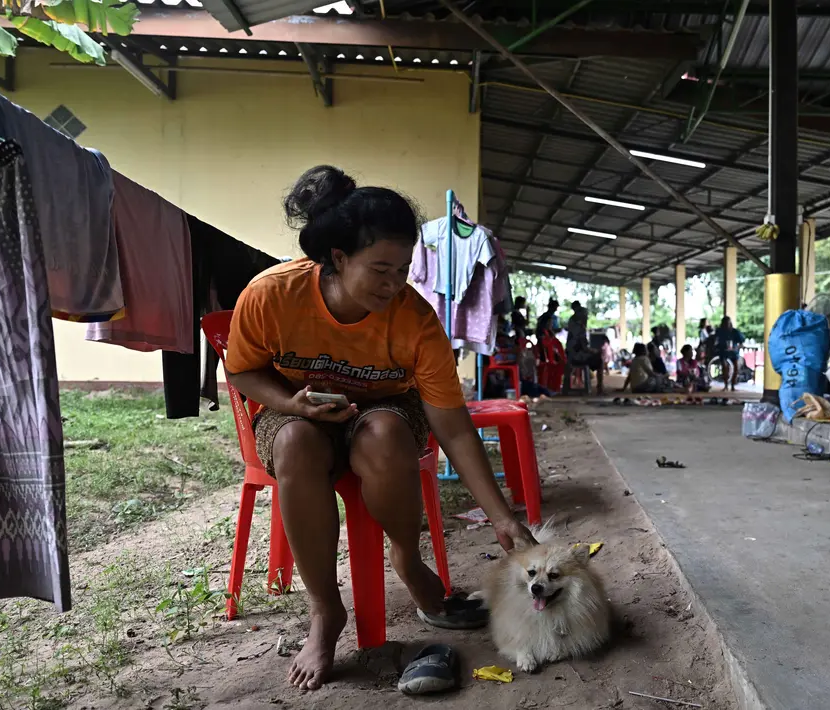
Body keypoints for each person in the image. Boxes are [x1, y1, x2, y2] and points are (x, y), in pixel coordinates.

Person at [225, 166, 536, 690]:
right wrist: (291, 404)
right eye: (380, 269)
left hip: (384, 412)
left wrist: (501, 516)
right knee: (296, 443)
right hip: (296, 409)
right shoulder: (272, 294)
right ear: (339, 258)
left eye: (404, 270)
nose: (394, 285)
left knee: (387, 437)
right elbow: (242, 370)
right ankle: (325, 610)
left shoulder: (416, 322)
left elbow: (453, 427)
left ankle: (408, 561)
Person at [564, 301, 605, 395]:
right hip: (576, 357)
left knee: (597, 355)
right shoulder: (579, 330)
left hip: (571, 355)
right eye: (585, 317)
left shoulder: (573, 327)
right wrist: (594, 351)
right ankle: (600, 387)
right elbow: (584, 348)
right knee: (599, 359)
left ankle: (600, 387)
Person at [713, 316, 745, 391]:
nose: (727, 325)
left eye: (728, 323)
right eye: (725, 323)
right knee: (725, 367)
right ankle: (726, 385)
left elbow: (741, 342)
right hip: (723, 352)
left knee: (736, 368)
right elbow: (715, 340)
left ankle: (733, 386)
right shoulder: (719, 331)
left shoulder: (735, 331)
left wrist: (736, 348)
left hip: (733, 352)